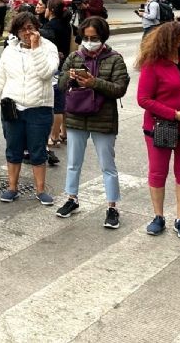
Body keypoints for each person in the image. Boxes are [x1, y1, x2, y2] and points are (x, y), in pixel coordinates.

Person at [0, 11, 60, 204]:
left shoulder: (49, 48)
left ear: (37, 28)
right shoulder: (9, 51)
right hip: (12, 108)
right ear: (15, 32)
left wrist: (36, 47)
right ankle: (12, 188)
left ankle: (40, 190)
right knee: (13, 150)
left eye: (30, 28)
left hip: (39, 108)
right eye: (22, 30)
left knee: (38, 150)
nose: (26, 33)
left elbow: (46, 73)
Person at [55, 17, 130, 228]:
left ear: (103, 38)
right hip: (76, 117)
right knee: (73, 163)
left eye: (94, 38)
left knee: (108, 165)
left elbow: (120, 89)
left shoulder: (115, 59)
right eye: (86, 38)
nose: (89, 42)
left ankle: (112, 207)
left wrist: (93, 83)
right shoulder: (74, 57)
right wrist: (69, 78)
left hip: (103, 118)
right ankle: (72, 198)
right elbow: (60, 85)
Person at [136, 21, 180, 241]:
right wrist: (174, 114)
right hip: (161, 126)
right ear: (171, 41)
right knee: (158, 172)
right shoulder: (153, 65)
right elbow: (143, 99)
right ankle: (158, 216)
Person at [40, 0, 73, 147]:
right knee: (63, 103)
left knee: (57, 105)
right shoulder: (67, 25)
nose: (44, 9)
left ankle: (54, 136)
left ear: (51, 10)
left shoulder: (50, 27)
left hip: (55, 67)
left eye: (45, 7)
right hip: (65, 64)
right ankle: (63, 133)